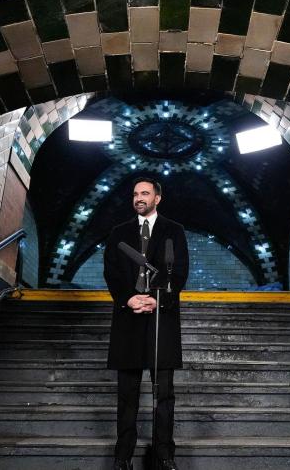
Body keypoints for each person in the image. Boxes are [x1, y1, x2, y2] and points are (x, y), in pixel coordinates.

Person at [104, 177, 189, 470]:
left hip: (161, 319)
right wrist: (127, 299)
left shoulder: (173, 231)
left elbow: (178, 271)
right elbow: (112, 271)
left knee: (164, 394)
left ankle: (164, 455)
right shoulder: (119, 233)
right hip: (128, 318)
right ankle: (122, 457)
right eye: (135, 194)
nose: (139, 198)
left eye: (145, 193)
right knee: (127, 394)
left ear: (157, 198)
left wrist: (159, 300)